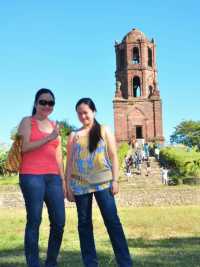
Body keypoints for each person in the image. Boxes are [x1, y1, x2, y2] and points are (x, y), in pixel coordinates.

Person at [65, 98, 133, 267]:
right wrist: (67, 186)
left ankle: (125, 263)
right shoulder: (74, 135)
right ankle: (90, 263)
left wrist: (115, 180)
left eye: (85, 112)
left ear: (93, 112)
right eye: (79, 113)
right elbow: (70, 162)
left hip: (103, 183)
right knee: (84, 225)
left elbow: (113, 155)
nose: (83, 116)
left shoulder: (104, 130)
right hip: (80, 186)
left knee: (112, 222)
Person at [18, 88, 66, 267]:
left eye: (50, 103)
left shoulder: (55, 125)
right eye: (43, 102)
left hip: (53, 178)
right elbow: (24, 147)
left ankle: (51, 262)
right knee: (35, 220)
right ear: (36, 103)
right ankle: (33, 263)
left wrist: (63, 181)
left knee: (59, 221)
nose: (47, 105)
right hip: (31, 176)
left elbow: (59, 156)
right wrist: (49, 138)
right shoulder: (27, 121)